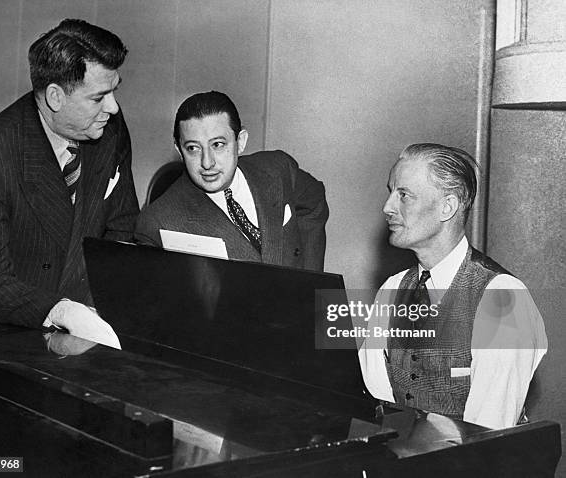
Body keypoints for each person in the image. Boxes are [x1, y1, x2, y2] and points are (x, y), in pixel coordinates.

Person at [0, 19, 139, 345]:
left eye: (114, 90)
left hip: (99, 322)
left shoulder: (110, 128)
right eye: (98, 97)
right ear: (55, 97)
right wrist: (64, 312)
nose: (113, 107)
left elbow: (123, 228)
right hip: (19, 337)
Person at [357, 143, 547, 429]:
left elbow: (487, 436)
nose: (387, 208)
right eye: (390, 192)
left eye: (404, 195)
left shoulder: (502, 298)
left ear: (447, 206)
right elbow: (378, 402)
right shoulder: (392, 289)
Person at [135, 91, 328, 271]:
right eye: (193, 148)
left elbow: (314, 203)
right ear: (179, 150)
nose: (207, 162)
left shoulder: (277, 168)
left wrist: (309, 281)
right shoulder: (157, 223)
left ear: (240, 142)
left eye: (218, 145)